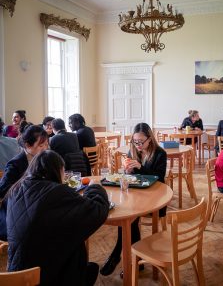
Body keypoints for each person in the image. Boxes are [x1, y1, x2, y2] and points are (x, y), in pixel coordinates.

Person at [6, 150, 110, 286]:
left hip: (17, 270)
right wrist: (94, 187)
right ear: (59, 170)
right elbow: (98, 211)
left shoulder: (17, 189)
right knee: (77, 244)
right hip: (45, 276)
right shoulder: (57, 193)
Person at [100, 122, 167, 277]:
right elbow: (132, 178)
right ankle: (135, 262)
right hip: (137, 194)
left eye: (140, 142)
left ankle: (117, 255)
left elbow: (159, 178)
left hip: (156, 198)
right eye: (134, 141)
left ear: (150, 139)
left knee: (130, 217)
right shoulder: (133, 151)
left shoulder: (159, 153)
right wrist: (128, 170)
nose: (137, 145)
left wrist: (140, 167)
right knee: (128, 215)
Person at [0, 125, 48, 240]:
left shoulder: (42, 158)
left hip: (35, 206)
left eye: (47, 144)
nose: (46, 149)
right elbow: (3, 190)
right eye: (41, 145)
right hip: (16, 212)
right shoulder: (15, 164)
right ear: (27, 145)